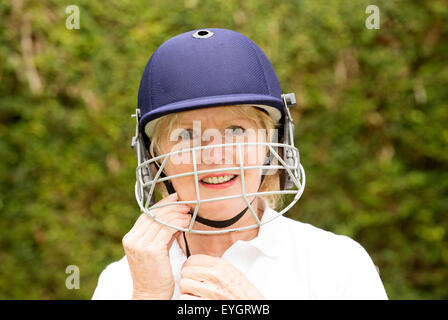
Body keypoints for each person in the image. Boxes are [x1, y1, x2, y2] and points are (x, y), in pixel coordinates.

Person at [92, 28, 388, 300]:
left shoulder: (336, 263)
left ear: (270, 147)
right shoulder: (122, 281)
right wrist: (147, 295)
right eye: (186, 135)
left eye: (236, 130)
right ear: (155, 160)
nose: (214, 155)